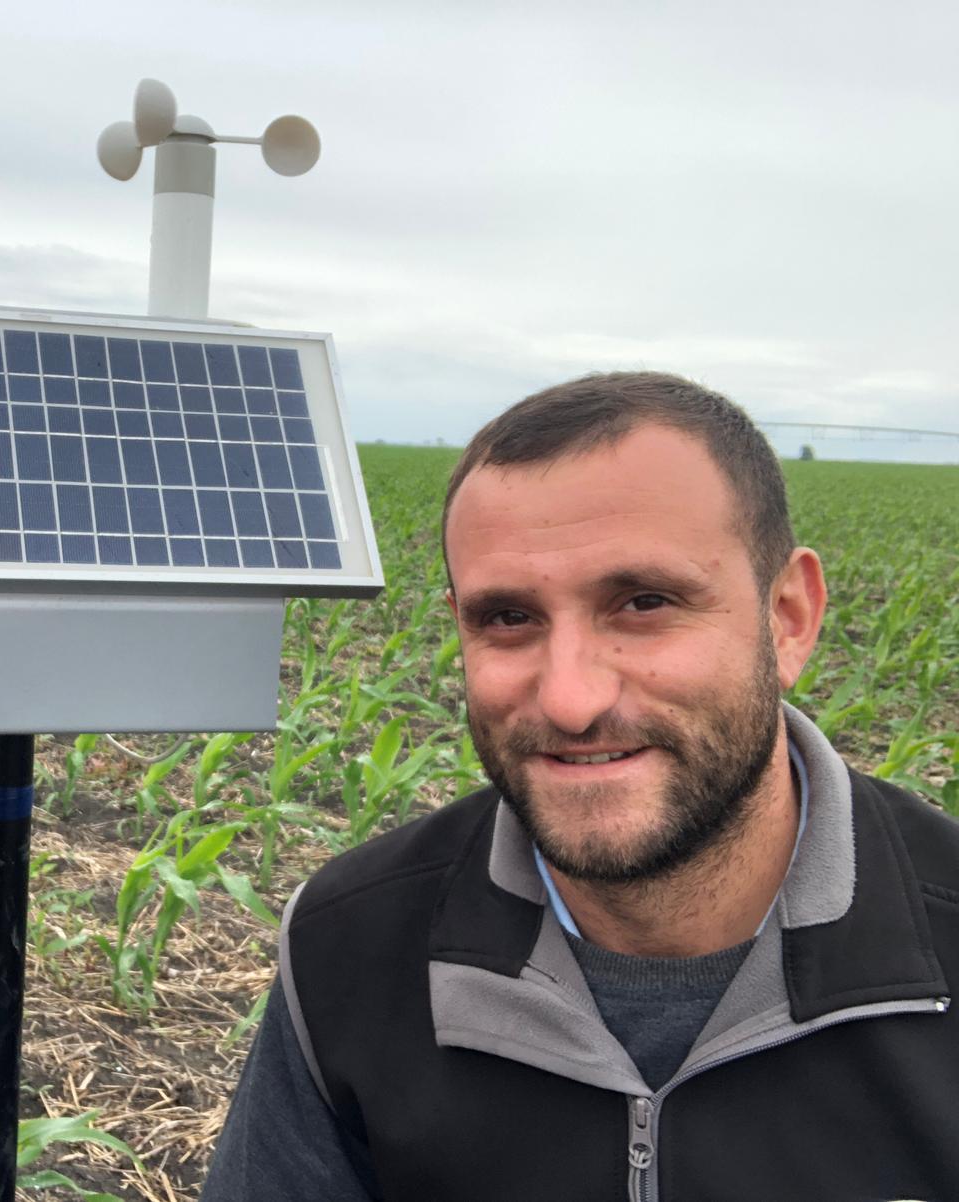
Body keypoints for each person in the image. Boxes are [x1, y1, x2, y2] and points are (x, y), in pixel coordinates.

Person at [202, 372, 959, 1200]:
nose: (570, 699)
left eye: (643, 602)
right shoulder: (350, 947)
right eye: (508, 619)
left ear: (788, 618)